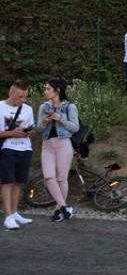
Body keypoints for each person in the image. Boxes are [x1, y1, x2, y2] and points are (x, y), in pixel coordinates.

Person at [36, 78, 80, 222]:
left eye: (48, 88)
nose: (46, 91)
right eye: (46, 88)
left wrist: (60, 119)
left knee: (61, 178)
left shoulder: (69, 106)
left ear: (58, 90)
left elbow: (75, 127)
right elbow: (39, 129)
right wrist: (45, 121)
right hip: (47, 144)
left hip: (63, 144)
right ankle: (64, 207)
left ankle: (57, 210)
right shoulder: (44, 107)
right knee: (49, 178)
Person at [1, 80, 35, 230]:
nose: (22, 100)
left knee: (18, 182)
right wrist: (11, 133)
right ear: (11, 93)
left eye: (25, 97)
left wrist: (28, 132)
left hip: (25, 148)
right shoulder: (0, 107)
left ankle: (15, 213)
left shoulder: (28, 109)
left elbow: (32, 130)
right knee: (7, 182)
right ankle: (7, 216)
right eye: (19, 97)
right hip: (7, 149)